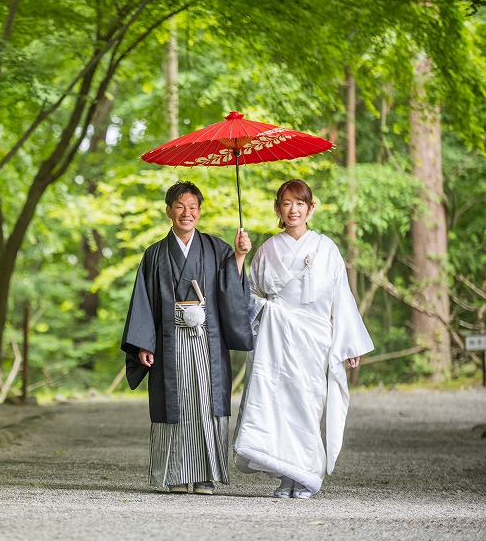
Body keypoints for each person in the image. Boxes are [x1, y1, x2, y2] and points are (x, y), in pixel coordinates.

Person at [234, 179, 374, 499]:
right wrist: (268, 307)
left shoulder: (327, 248)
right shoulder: (267, 249)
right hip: (276, 338)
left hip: (314, 338)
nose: (293, 209)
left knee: (309, 405)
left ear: (311, 208)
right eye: (286, 203)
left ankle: (307, 474)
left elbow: (342, 297)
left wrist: (350, 344)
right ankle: (286, 476)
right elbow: (250, 295)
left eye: (300, 203)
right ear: (278, 209)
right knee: (278, 404)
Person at [121, 180, 254, 495]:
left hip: (208, 338)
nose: (186, 213)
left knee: (206, 402)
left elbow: (231, 287)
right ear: (168, 210)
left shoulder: (217, 248)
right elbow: (144, 299)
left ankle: (206, 475)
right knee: (175, 403)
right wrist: (144, 343)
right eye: (180, 206)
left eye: (193, 207)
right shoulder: (155, 254)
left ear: (199, 211)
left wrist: (239, 255)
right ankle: (177, 474)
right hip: (169, 339)